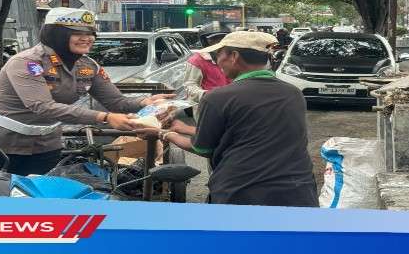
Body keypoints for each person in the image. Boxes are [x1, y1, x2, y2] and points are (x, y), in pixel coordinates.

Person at [0, 7, 172, 190]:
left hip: (44, 147)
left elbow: (117, 102)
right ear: (56, 34)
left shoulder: (88, 66)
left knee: (40, 208)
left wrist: (145, 102)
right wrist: (104, 117)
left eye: (90, 32)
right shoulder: (28, 62)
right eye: (76, 32)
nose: (87, 37)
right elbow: (42, 106)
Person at [136, 31, 318, 207]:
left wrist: (164, 134)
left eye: (218, 55)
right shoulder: (293, 93)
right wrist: (182, 128)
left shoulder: (217, 97)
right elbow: (247, 133)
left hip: (242, 194)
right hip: (297, 192)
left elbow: (202, 148)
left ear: (234, 56)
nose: (218, 62)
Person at [182, 31, 231, 107]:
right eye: (215, 40)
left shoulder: (230, 57)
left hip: (229, 102)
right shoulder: (197, 60)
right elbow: (190, 85)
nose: (219, 43)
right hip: (208, 105)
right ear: (207, 42)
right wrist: (206, 94)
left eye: (222, 39)